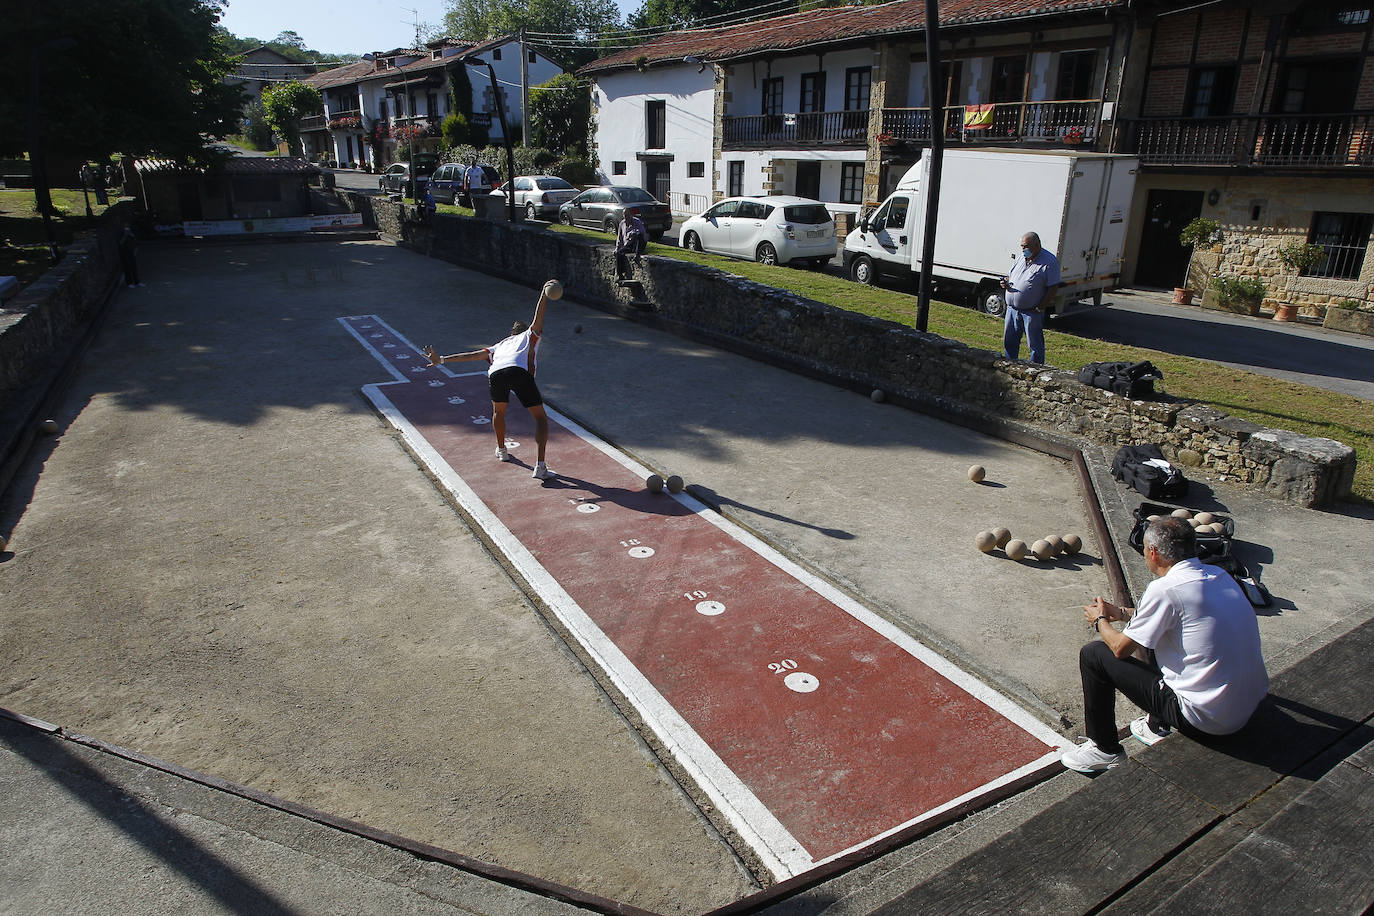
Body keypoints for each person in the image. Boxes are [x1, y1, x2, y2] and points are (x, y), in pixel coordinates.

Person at [1061, 517, 1269, 773]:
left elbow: (1119, 649)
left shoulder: (1164, 589)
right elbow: (1176, 617)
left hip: (1207, 721)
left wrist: (1100, 620)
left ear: (1154, 553)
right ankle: (1154, 724)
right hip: (1247, 706)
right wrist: (1124, 614)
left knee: (1094, 654)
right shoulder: (1219, 575)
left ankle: (1104, 750)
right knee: (1157, 635)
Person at [422, 281, 559, 481]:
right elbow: (538, 318)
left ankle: (502, 450)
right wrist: (544, 295)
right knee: (540, 419)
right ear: (524, 331)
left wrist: (441, 359)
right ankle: (540, 466)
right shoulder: (530, 335)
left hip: (496, 373)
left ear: (510, 333)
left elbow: (471, 355)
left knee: (498, 412)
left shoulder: (499, 346)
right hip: (518, 372)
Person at [1001, 231, 1060, 364]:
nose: (1023, 249)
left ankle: (1036, 368)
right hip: (1012, 309)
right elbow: (1011, 276)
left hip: (1031, 312)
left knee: (1034, 345)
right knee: (1009, 341)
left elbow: (1053, 287)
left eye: (1026, 246)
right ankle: (1010, 364)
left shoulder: (1049, 261)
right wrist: (1006, 282)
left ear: (1037, 244)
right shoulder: (1022, 258)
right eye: (1022, 246)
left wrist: (1041, 307)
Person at [615, 207, 646, 280]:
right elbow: (619, 238)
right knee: (619, 253)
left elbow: (643, 234)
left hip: (637, 244)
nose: (626, 217)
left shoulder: (637, 222)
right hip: (628, 245)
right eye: (625, 215)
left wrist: (633, 233)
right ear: (623, 215)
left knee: (638, 235)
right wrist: (617, 248)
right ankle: (620, 275)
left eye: (628, 215)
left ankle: (637, 256)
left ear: (631, 215)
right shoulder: (622, 224)